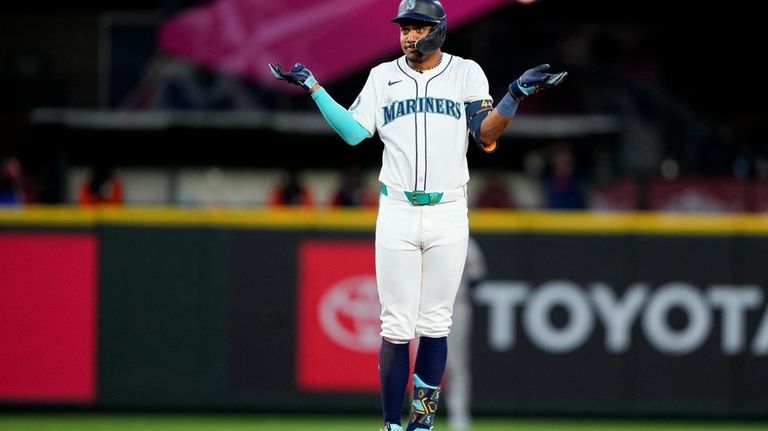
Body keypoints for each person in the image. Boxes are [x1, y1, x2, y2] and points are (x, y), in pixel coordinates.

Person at [269, 1, 566, 429]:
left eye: (418, 27)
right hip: (397, 209)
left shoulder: (466, 72)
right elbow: (355, 133)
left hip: (448, 208)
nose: (409, 35)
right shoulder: (383, 76)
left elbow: (484, 134)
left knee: (435, 324)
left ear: (439, 30)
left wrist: (514, 93)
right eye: (404, 28)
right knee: (395, 326)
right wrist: (315, 87)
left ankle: (421, 424)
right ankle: (393, 426)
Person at [446, 236, 486, 431]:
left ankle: (459, 415)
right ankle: (420, 414)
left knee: (456, 363)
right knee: (421, 364)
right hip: (424, 307)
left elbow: (478, 277)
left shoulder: (465, 240)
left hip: (456, 305)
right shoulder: (421, 236)